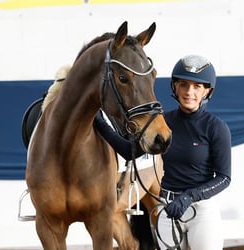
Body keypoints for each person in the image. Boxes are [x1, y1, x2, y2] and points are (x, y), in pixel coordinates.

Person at [94, 55, 231, 250]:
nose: (189, 92)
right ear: (175, 87)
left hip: (201, 212)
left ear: (207, 91)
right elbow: (129, 151)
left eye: (197, 86)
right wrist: (100, 124)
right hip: (168, 210)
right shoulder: (163, 125)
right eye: (183, 84)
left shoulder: (216, 127)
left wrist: (189, 196)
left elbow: (224, 177)